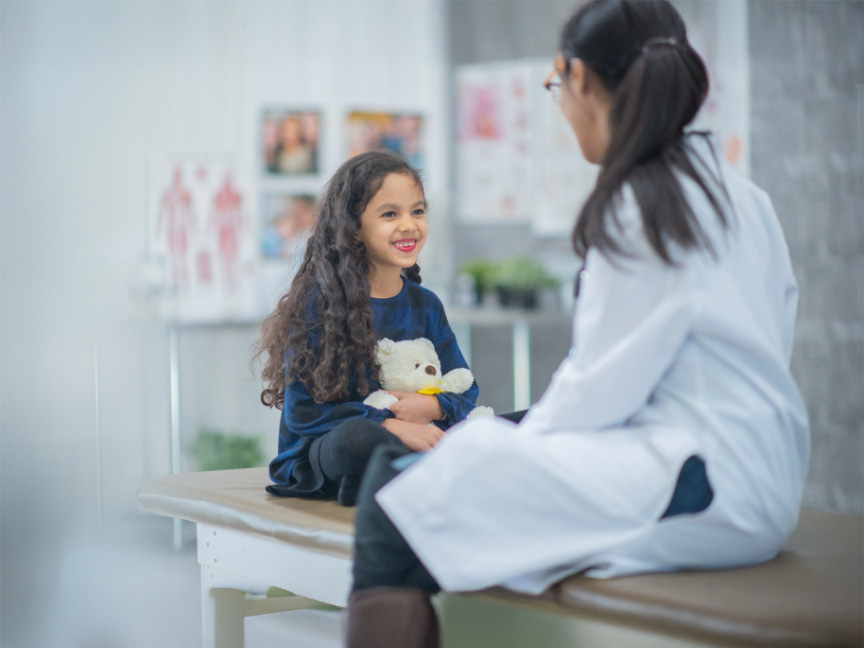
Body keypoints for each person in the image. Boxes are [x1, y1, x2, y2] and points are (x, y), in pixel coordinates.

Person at [344, 1, 810, 646]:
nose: (561, 107)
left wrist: (490, 452)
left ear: (581, 78)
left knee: (393, 493)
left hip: (698, 484)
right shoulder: (743, 196)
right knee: (483, 446)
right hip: (764, 478)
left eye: (557, 88)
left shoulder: (641, 204)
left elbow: (595, 395)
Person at [254, 150, 479, 507]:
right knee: (358, 437)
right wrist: (388, 423)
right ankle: (413, 472)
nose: (409, 225)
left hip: (420, 435)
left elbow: (466, 387)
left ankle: (410, 471)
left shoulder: (426, 304)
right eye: (390, 214)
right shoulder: (319, 304)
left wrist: (432, 408)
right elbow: (304, 414)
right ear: (354, 228)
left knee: (521, 422)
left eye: (417, 211)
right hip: (330, 454)